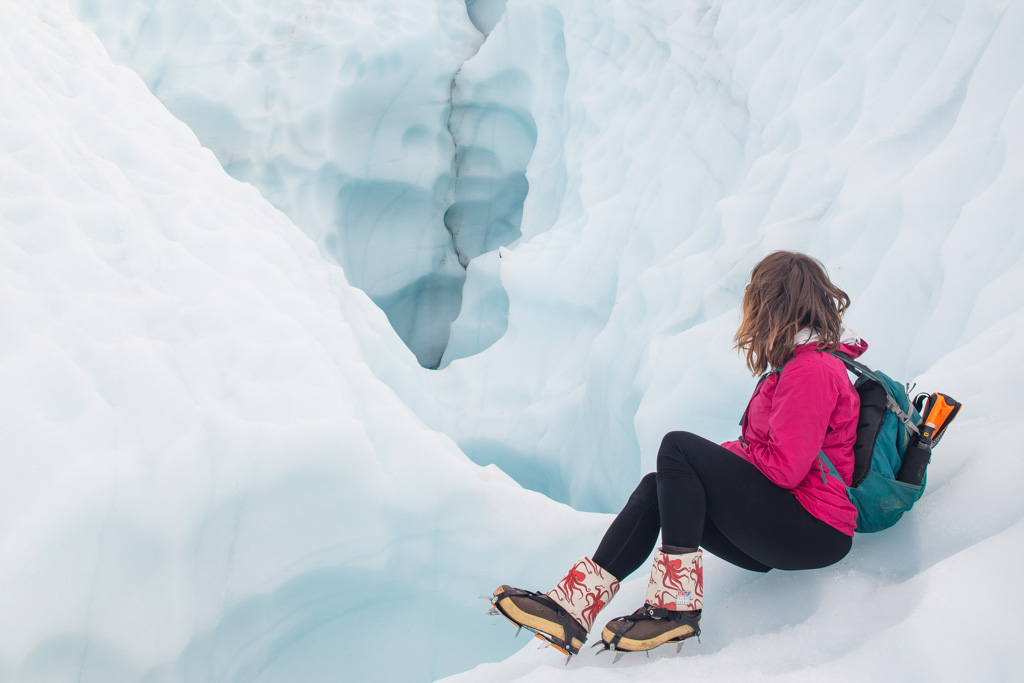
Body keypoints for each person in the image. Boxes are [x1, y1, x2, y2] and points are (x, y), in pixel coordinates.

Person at [492, 251, 864, 655]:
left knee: (677, 448)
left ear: (773, 304)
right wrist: (717, 466)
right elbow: (772, 458)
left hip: (812, 531)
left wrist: (716, 464)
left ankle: (676, 608)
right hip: (784, 525)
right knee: (659, 487)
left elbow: (786, 470)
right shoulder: (797, 366)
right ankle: (572, 609)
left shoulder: (812, 371)